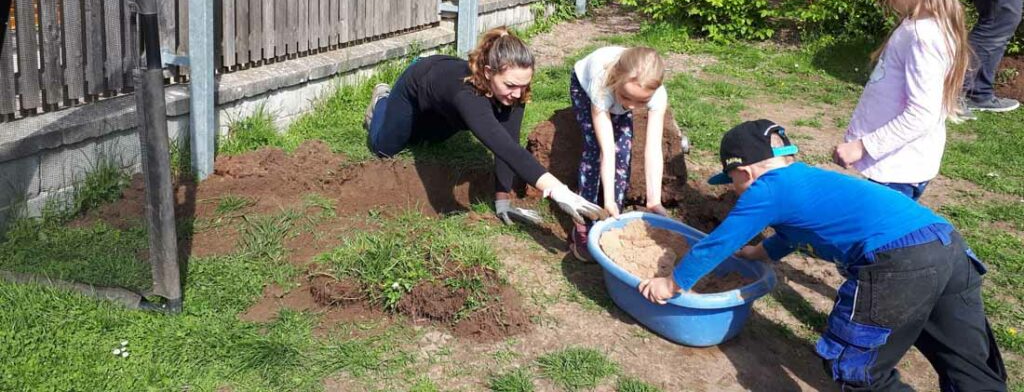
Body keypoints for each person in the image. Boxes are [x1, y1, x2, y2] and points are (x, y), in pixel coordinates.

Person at [639, 120, 1007, 391]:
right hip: (948, 246)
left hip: (899, 263)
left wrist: (672, 283)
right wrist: (758, 253)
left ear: (745, 172)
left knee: (860, 371)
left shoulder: (766, 190)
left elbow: (716, 244)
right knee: (967, 362)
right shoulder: (806, 180)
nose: (735, 190)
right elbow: (796, 232)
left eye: (732, 182)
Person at [364, 27, 601, 227]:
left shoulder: (515, 93)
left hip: (443, 106)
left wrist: (502, 201)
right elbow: (506, 149)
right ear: (488, 73)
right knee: (384, 147)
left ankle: (415, 124)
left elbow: (508, 143)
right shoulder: (467, 96)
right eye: (510, 85)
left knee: (425, 141)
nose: (518, 93)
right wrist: (559, 190)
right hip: (417, 84)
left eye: (524, 85)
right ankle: (382, 100)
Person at [833, 0, 970, 200]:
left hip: (897, 171)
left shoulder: (925, 35)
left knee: (877, 241)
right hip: (894, 166)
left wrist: (864, 147)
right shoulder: (918, 26)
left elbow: (922, 114)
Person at [568, 46, 669, 262]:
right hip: (585, 89)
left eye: (640, 102)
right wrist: (607, 198)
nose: (631, 106)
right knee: (594, 148)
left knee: (624, 152)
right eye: (627, 97)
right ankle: (583, 222)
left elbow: (652, 149)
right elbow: (607, 150)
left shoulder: (657, 96)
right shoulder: (601, 83)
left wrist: (654, 200)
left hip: (614, 92)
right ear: (617, 80)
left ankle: (613, 217)